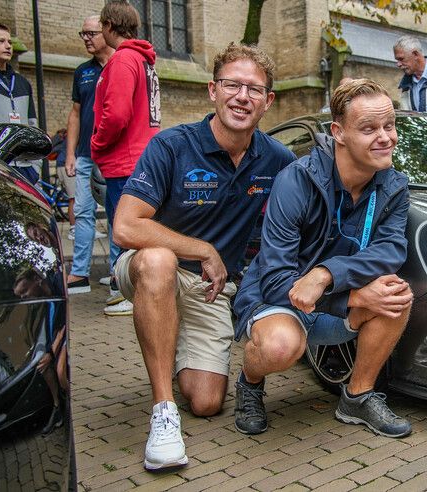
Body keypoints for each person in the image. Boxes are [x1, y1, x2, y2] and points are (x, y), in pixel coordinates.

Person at [111, 43, 295, 470]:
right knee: (159, 261)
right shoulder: (172, 146)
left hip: (211, 291)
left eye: (254, 89)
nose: (242, 96)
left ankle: (167, 336)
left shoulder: (278, 159)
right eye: (232, 84)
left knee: (208, 402)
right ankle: (163, 412)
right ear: (213, 90)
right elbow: (125, 226)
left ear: (268, 102)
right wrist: (202, 249)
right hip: (149, 269)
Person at [233, 79, 413, 439]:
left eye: (389, 125)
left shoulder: (393, 185)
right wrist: (353, 296)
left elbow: (391, 249)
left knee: (396, 293)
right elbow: (274, 280)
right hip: (279, 301)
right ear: (339, 133)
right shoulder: (296, 181)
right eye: (369, 128)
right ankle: (250, 383)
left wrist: (327, 273)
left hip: (331, 299)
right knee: (282, 346)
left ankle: (357, 396)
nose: (385, 137)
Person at [92, 0, 162, 316]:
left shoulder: (122, 61)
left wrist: (96, 143)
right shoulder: (144, 61)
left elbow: (116, 114)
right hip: (140, 155)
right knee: (138, 228)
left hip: (125, 158)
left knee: (123, 228)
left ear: (109, 26)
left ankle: (125, 293)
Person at [64, 16, 115, 296]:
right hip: (85, 155)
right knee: (83, 212)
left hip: (113, 157)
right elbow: (74, 114)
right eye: (82, 33)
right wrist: (70, 153)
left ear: (107, 32)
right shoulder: (82, 72)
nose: (86, 38)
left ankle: (116, 273)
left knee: (116, 213)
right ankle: (80, 273)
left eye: (91, 33)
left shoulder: (123, 64)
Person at [0, 23, 40, 184]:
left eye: (10, 42)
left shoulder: (22, 83)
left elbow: (33, 124)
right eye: (1, 41)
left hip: (25, 167)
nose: (8, 46)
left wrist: (36, 166)